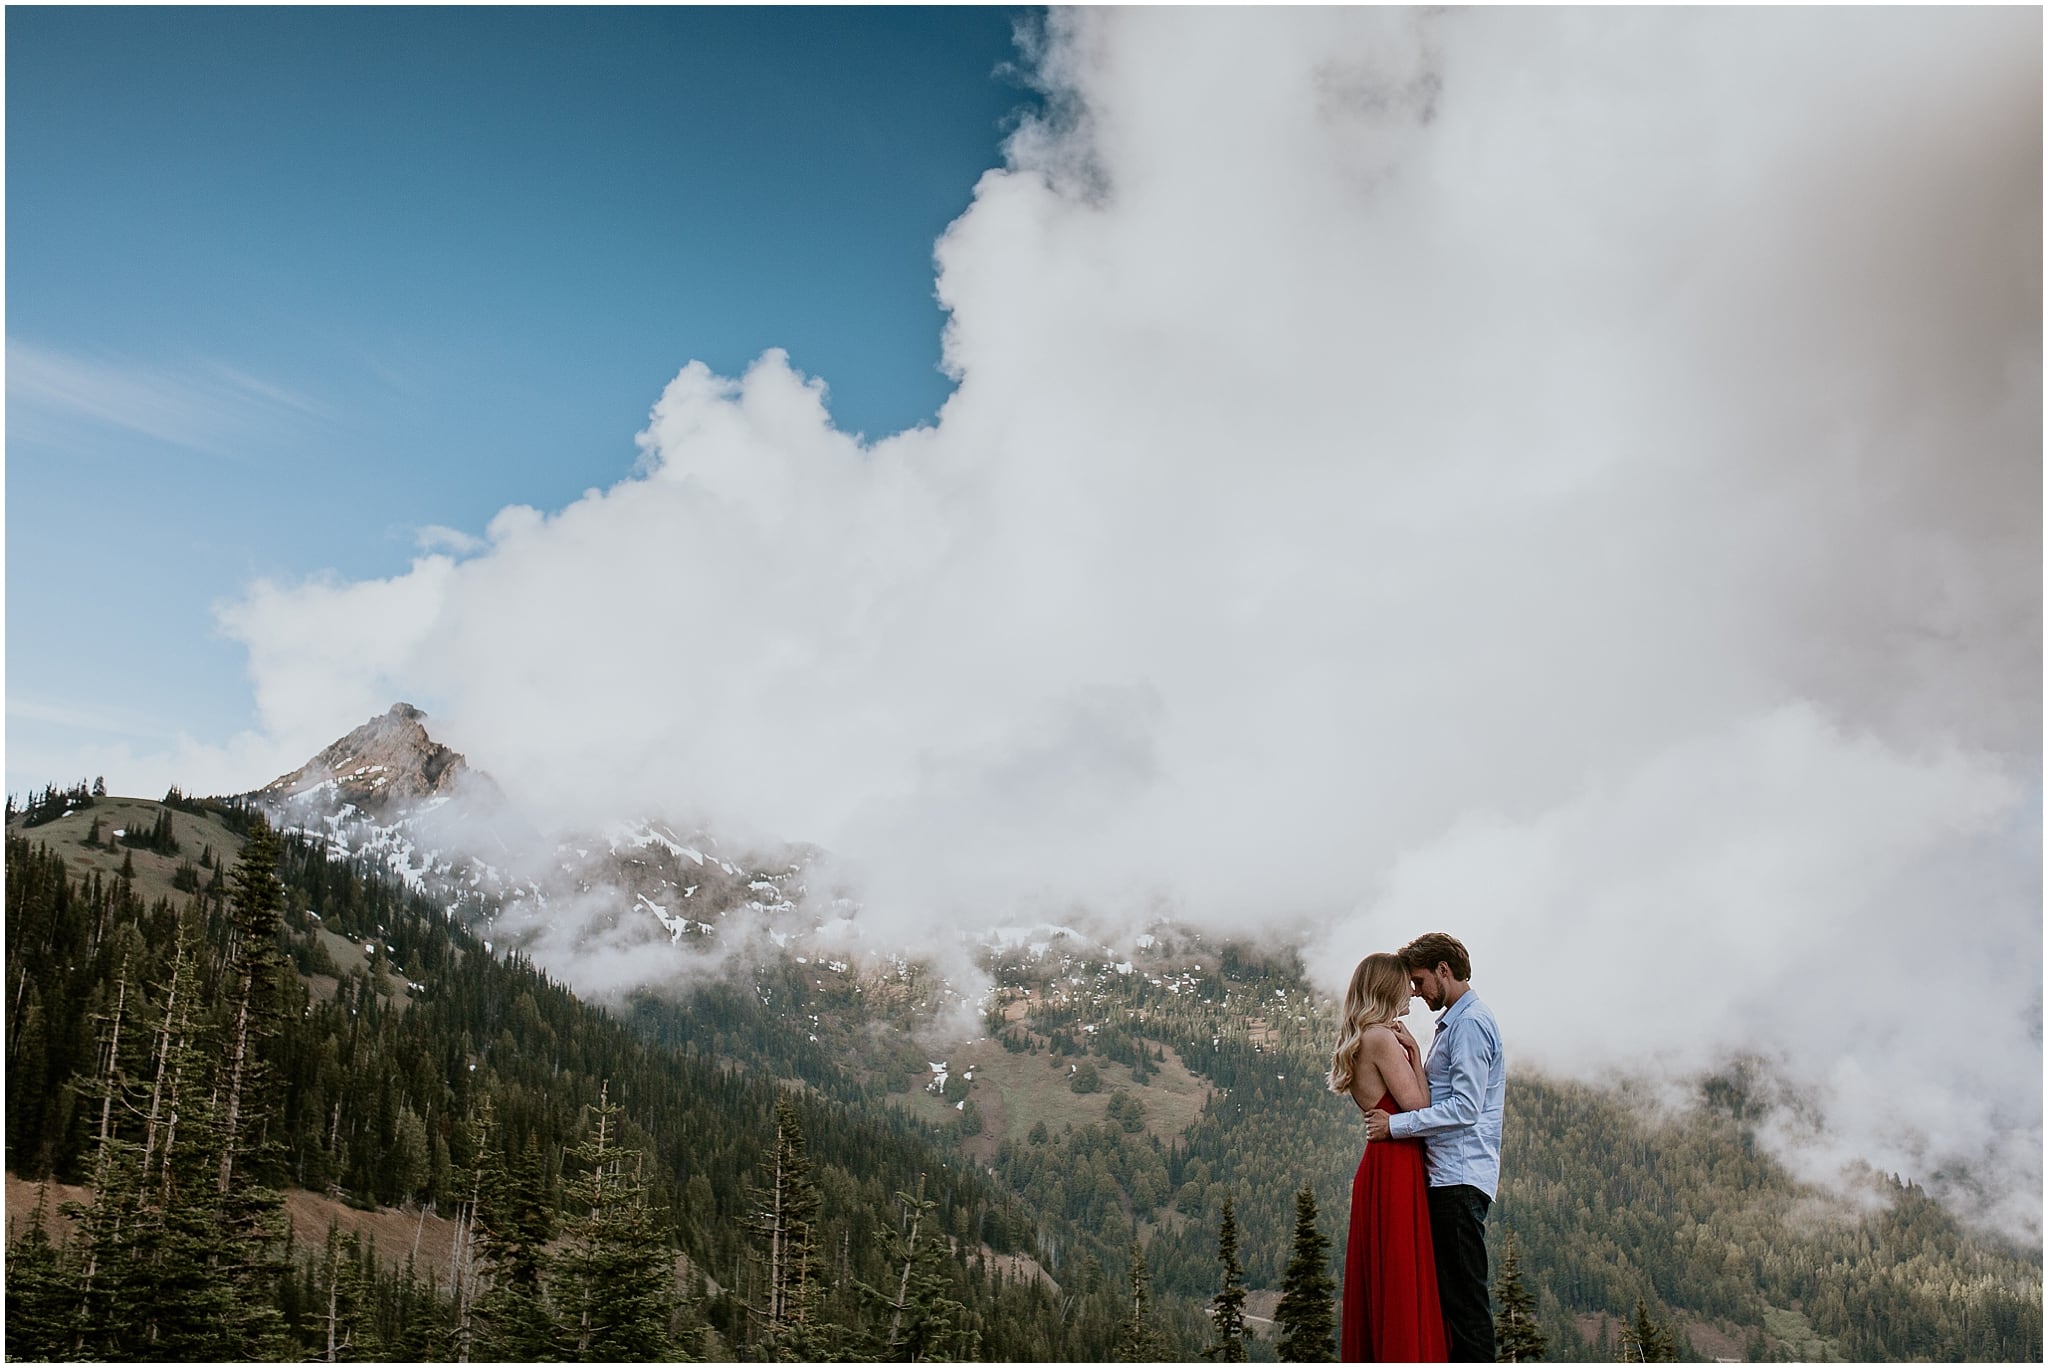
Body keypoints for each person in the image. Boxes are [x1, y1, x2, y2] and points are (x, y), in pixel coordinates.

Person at [1364, 932, 1505, 1363]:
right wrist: (1416, 1050)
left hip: (1459, 1177)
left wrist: (1396, 1126)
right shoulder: (1456, 1025)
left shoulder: (1470, 1024)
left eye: (1420, 982)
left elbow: (1465, 1108)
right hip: (1450, 1175)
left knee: (1464, 1305)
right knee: (1452, 1302)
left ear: (1444, 971)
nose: (1416, 992)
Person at [1328, 952, 1445, 1362]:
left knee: (1384, 1276)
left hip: (1382, 1163)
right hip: (1395, 1164)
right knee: (1400, 1274)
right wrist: (1415, 1054)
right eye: (1404, 986)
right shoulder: (1380, 1037)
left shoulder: (1363, 1037)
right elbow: (1419, 1105)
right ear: (1386, 987)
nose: (1411, 995)